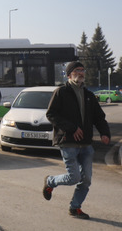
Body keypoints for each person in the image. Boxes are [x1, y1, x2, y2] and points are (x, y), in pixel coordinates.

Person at [42, 61, 111, 220]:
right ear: (69, 74)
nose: (81, 73)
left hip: (86, 144)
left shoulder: (88, 95)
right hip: (68, 142)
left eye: (82, 70)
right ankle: (51, 181)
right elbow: (51, 114)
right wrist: (71, 128)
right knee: (74, 177)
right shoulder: (61, 92)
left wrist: (104, 133)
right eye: (77, 70)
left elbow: (99, 117)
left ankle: (75, 207)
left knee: (86, 180)